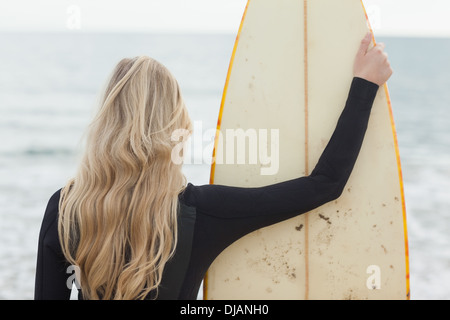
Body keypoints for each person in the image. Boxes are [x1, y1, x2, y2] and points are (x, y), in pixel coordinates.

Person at [34, 32, 392, 300]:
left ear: (106, 125)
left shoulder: (65, 211)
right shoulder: (203, 213)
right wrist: (364, 86)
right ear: (175, 127)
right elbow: (324, 184)